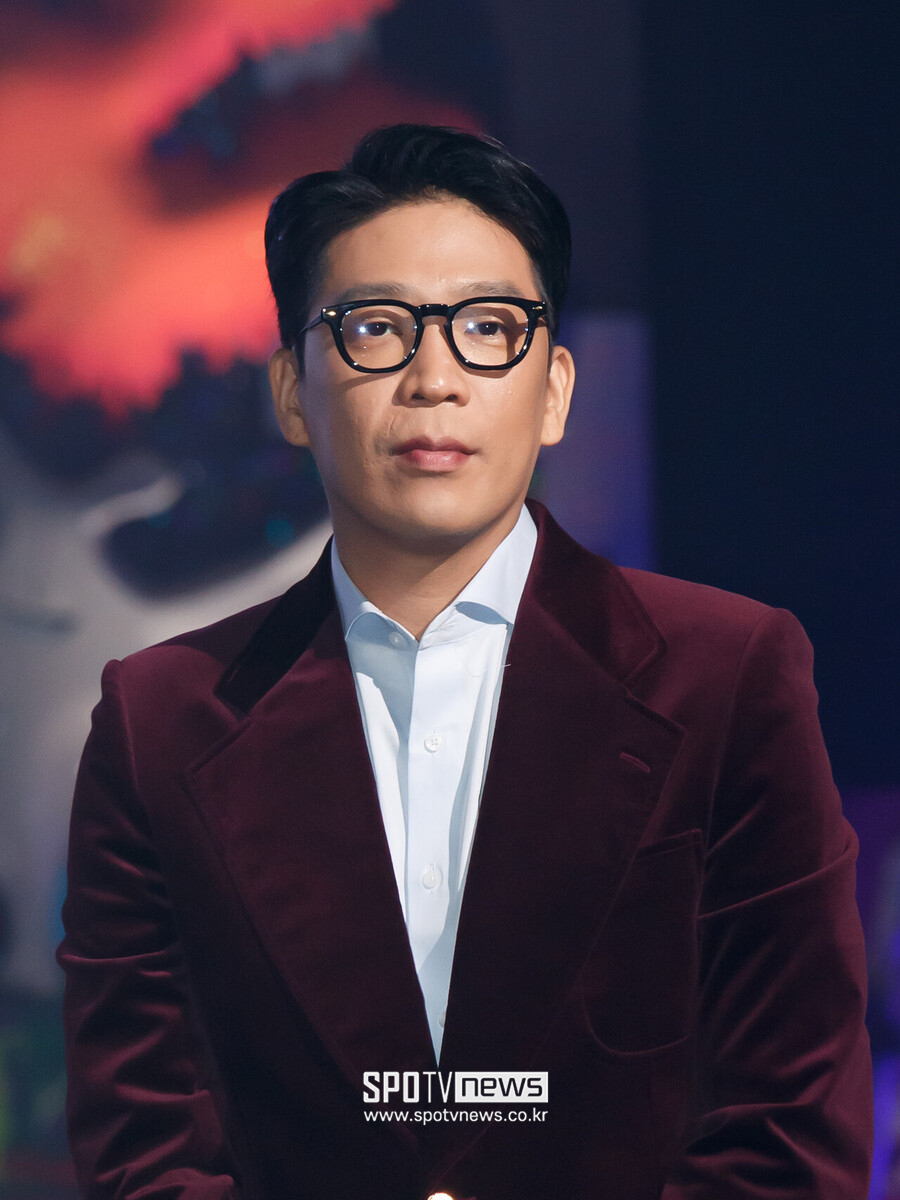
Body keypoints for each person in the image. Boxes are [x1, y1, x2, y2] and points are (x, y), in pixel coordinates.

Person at [58, 123, 873, 1200]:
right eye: (376, 328)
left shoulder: (730, 676)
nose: (434, 378)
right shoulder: (159, 718)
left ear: (555, 389)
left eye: (489, 327)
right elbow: (143, 1146)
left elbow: (791, 1131)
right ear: (292, 393)